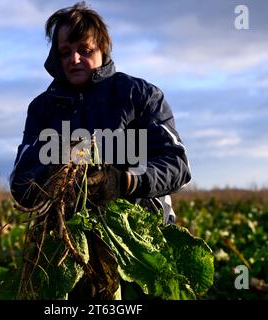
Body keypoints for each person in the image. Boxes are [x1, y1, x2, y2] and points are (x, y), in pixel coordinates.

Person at [10, 2, 191, 299]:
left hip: (138, 239)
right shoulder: (43, 108)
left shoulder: (139, 95)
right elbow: (21, 181)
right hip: (69, 242)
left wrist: (126, 181)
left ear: (103, 50)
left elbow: (177, 163)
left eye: (85, 49)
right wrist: (54, 174)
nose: (74, 59)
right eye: (65, 51)